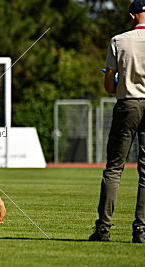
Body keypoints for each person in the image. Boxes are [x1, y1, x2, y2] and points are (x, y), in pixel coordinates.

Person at [90, 0, 145, 243]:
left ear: (132, 16)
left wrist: (119, 79)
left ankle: (103, 228)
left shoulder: (118, 40)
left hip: (127, 104)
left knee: (114, 168)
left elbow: (109, 86)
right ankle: (141, 230)